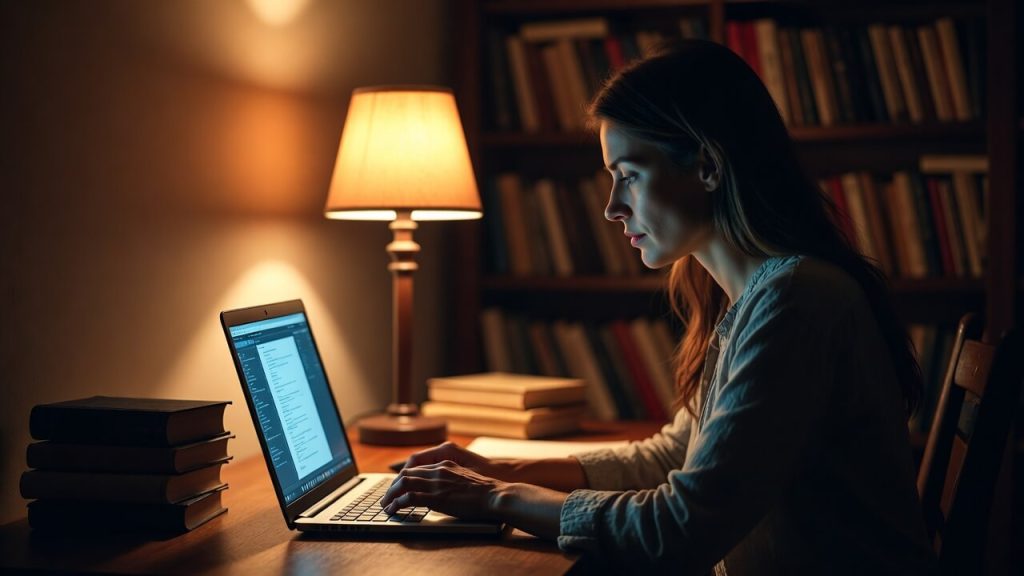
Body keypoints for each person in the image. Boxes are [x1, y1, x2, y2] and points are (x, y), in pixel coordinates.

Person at [380, 40, 936, 575]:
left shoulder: (794, 300)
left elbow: (678, 529)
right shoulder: (748, 293)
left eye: (630, 176)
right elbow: (673, 456)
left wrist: (498, 497)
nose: (612, 208)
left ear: (707, 167)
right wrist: (494, 470)